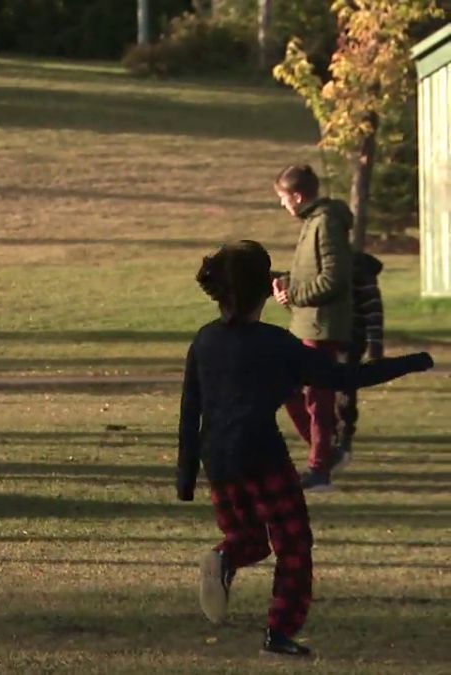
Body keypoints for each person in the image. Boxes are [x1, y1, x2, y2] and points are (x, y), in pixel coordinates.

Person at [177, 240, 432, 658]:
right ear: (264, 290)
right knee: (293, 546)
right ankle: (279, 633)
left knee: (250, 540)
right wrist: (412, 362)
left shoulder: (204, 341)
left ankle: (223, 557)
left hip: (218, 461)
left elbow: (191, 409)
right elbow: (344, 378)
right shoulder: (275, 343)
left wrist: (186, 478)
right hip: (263, 456)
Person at [271, 165, 354, 491]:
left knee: (318, 398)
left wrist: (295, 294)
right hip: (306, 324)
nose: (282, 204)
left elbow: (333, 279)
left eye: (283, 198)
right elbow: (311, 272)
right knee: (286, 387)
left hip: (322, 326)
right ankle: (327, 454)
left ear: (297, 196)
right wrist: (285, 284)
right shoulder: (312, 221)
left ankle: (320, 470)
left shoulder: (326, 223)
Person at [336, 251, 385, 464]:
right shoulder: (320, 260)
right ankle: (329, 439)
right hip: (324, 336)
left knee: (344, 392)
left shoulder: (359, 267)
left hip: (350, 338)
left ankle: (343, 438)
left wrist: (375, 346)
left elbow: (373, 308)